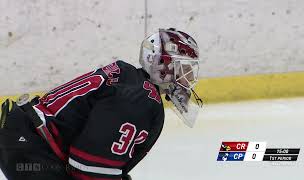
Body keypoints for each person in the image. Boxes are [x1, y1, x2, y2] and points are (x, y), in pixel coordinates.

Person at [0, 28, 202, 180]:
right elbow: (87, 167)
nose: (189, 78)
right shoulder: (139, 100)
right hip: (32, 151)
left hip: (26, 140)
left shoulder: (132, 82)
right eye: (184, 69)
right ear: (162, 65)